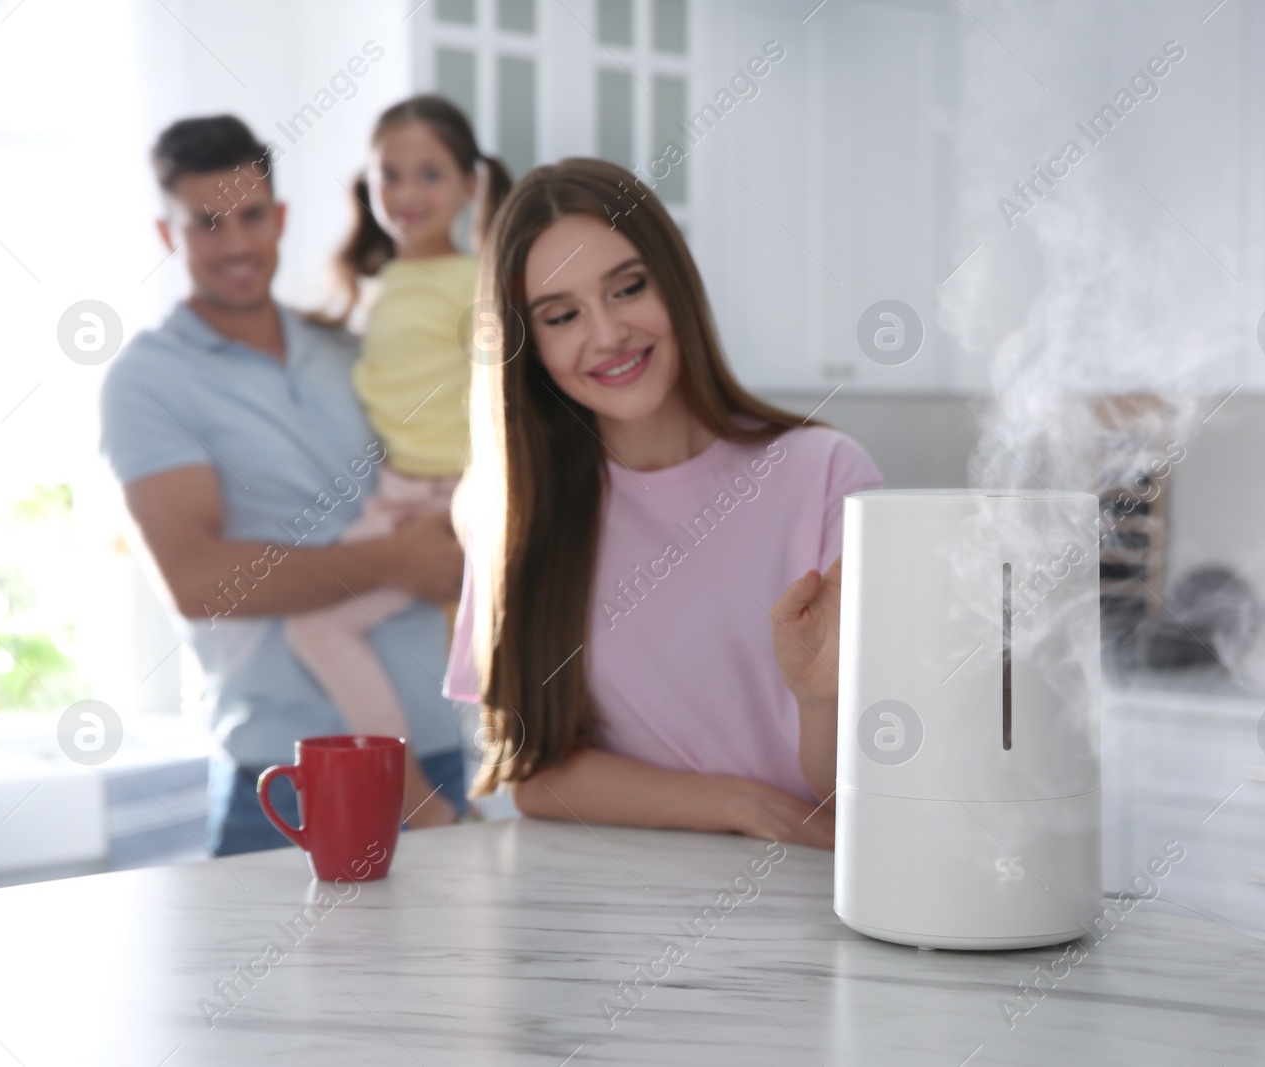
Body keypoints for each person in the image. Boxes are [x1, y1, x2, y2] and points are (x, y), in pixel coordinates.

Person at [445, 158, 884, 850]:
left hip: (814, 887)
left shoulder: (826, 473)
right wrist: (737, 801)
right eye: (562, 315)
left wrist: (819, 698)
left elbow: (864, 787)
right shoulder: (512, 514)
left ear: (673, 282)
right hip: (624, 913)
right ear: (529, 348)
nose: (608, 334)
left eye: (627, 288)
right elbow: (537, 775)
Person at [99, 116, 467, 855]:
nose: (235, 243)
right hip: (287, 781)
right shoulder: (148, 380)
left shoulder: (351, 350)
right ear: (167, 233)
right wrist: (402, 563)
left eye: (251, 216)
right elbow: (200, 580)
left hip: (437, 757)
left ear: (282, 218)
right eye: (206, 223)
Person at [284, 97, 509, 827]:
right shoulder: (378, 285)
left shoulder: (477, 281)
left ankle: (427, 800)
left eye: (430, 174)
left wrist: (475, 506)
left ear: (470, 186)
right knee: (316, 626)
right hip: (400, 496)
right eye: (391, 174)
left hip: (454, 498)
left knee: (500, 663)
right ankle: (423, 796)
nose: (407, 194)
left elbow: (500, 397)